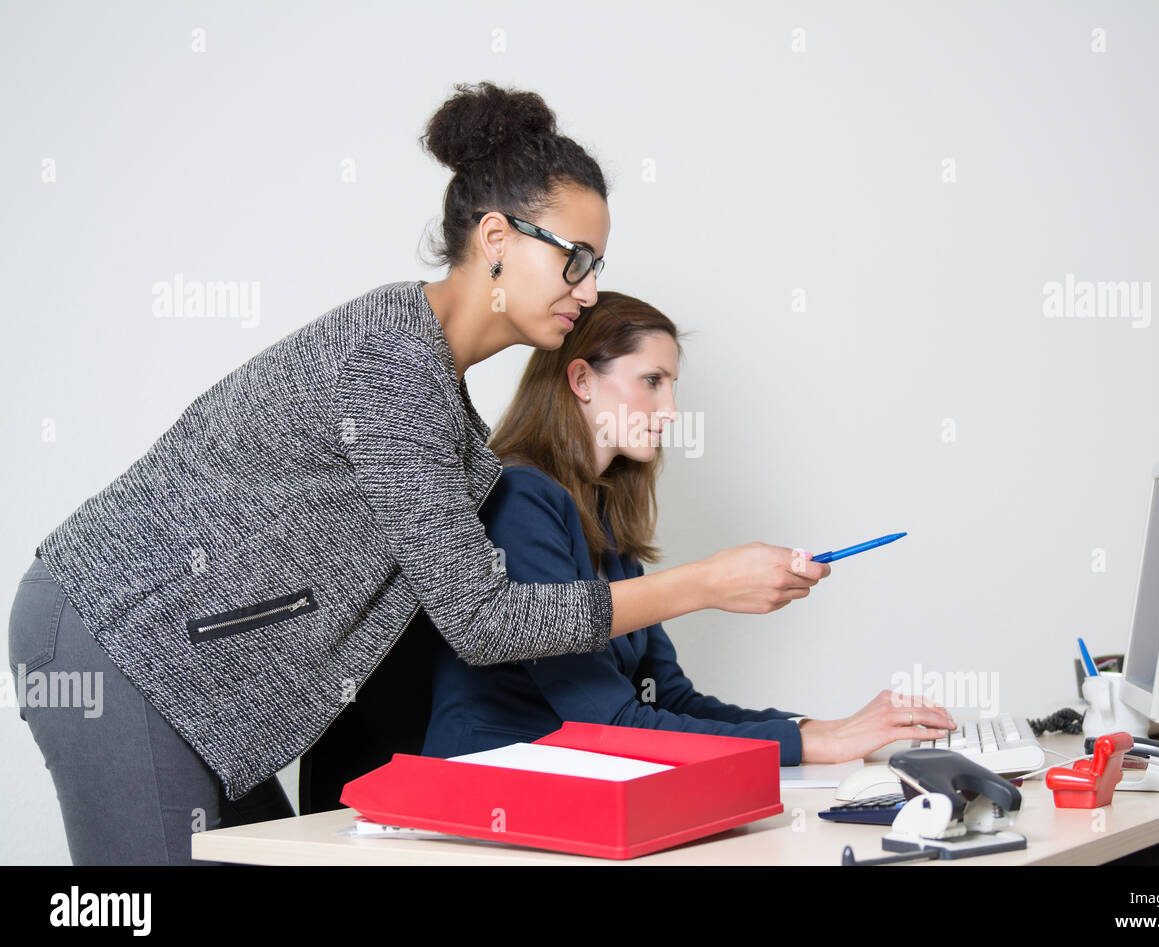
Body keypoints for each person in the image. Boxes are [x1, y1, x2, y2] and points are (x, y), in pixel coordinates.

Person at [6, 81, 829, 865]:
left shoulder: (441, 396)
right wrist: (707, 581)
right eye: (575, 258)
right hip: (113, 632)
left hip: (197, 664)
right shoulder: (394, 363)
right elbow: (483, 621)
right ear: (497, 240)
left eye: (598, 265)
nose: (588, 288)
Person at [419, 291, 956, 766]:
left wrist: (818, 730)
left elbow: (665, 701)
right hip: (491, 800)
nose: (671, 411)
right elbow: (611, 728)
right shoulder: (520, 499)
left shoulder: (603, 513)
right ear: (581, 380)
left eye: (672, 386)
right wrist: (813, 747)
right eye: (652, 381)